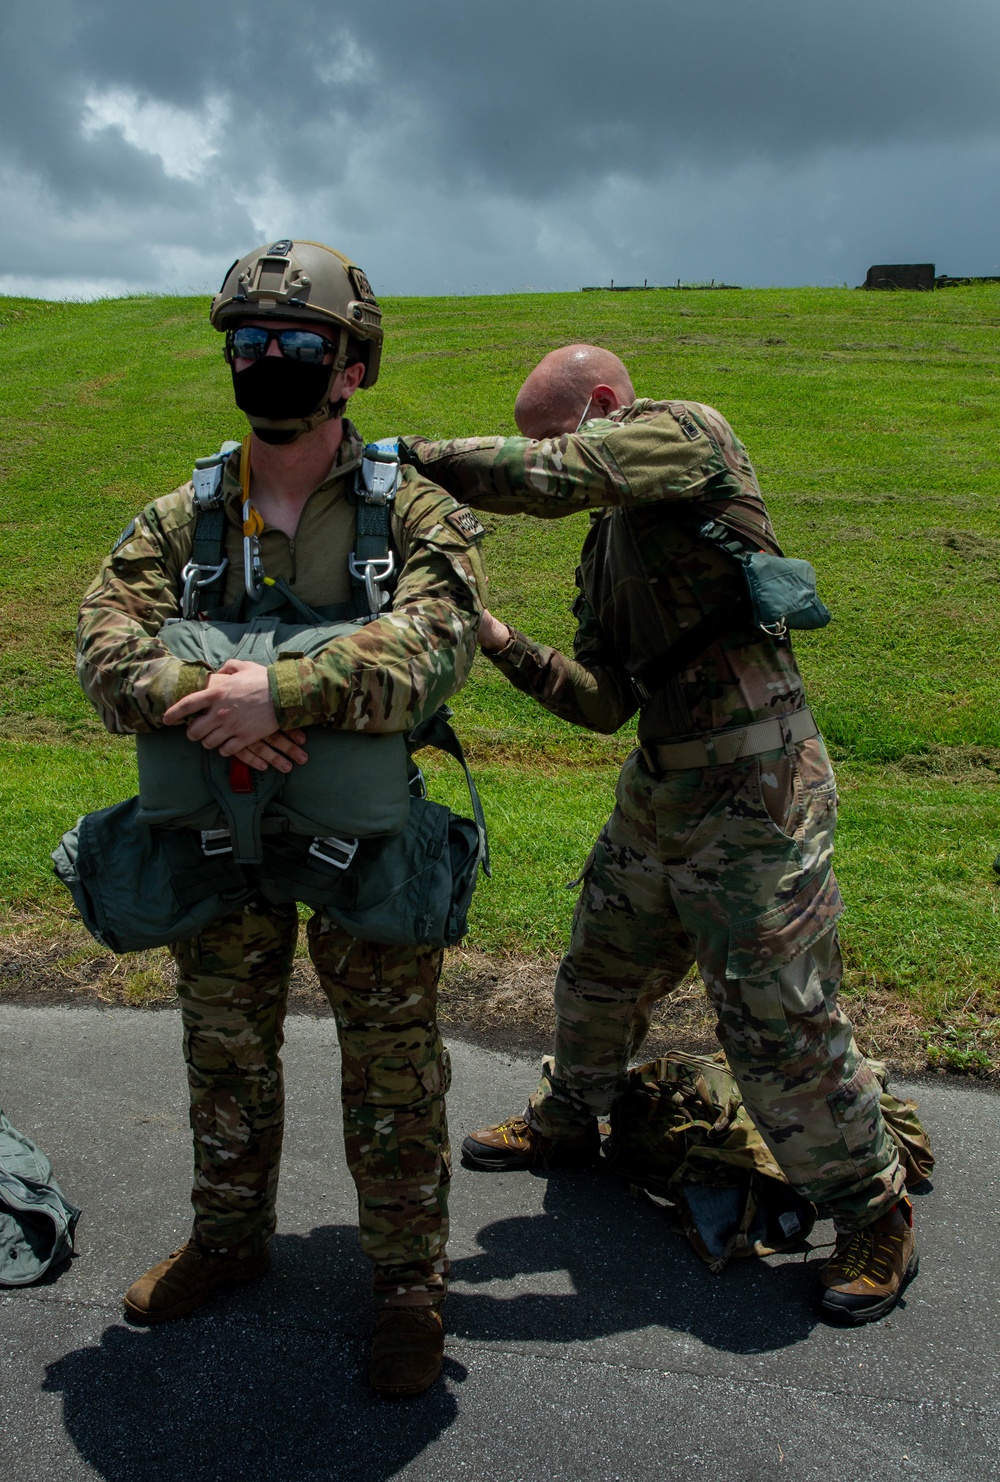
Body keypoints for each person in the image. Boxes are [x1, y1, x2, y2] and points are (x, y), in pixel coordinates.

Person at [401, 344, 917, 1326]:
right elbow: (602, 703)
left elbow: (558, 479)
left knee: (774, 1013)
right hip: (661, 786)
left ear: (603, 406)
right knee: (599, 964)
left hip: (757, 784)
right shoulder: (608, 551)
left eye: (549, 439)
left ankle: (870, 1213)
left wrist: (406, 458)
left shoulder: (689, 436)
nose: (544, 462)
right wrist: (497, 641)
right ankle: (566, 1120)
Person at [76, 240, 487, 1395]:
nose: (266, 361)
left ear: (352, 367)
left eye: (296, 344)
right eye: (247, 342)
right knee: (224, 1054)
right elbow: (104, 646)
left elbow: (437, 647)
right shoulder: (182, 516)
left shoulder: (415, 513)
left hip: (366, 846)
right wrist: (214, 701)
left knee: (394, 1065)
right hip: (218, 832)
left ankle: (409, 1281)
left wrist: (284, 692)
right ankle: (227, 1240)